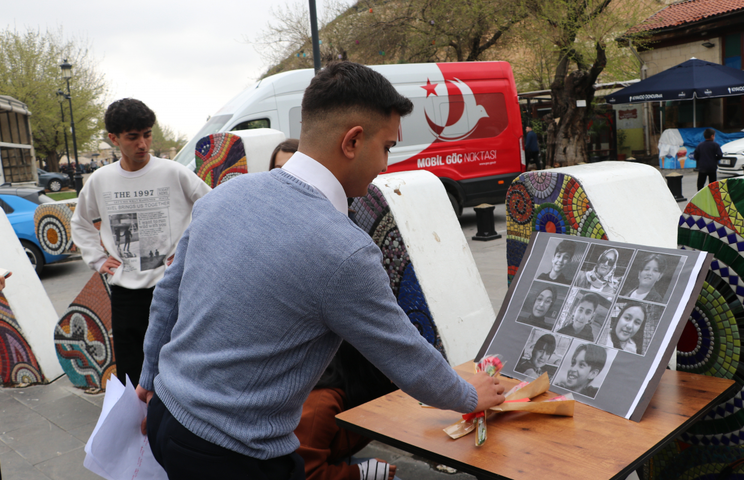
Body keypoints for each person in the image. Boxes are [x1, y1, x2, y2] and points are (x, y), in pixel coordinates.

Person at [136, 62, 505, 480]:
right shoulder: (343, 250)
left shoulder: (227, 194)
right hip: (235, 452)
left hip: (166, 412)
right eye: (386, 146)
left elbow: (167, 294)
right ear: (352, 141)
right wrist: (471, 394)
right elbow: (408, 359)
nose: (387, 163)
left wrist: (149, 377)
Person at [71, 98, 211, 388]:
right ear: (114, 139)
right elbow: (80, 222)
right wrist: (98, 259)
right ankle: (136, 427)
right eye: (133, 137)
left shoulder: (174, 172)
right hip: (127, 291)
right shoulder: (100, 180)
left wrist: (191, 252)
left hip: (173, 285)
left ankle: (174, 420)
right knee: (132, 367)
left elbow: (213, 207)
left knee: (178, 361)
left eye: (147, 134)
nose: (143, 144)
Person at [296, 341, 398, 480]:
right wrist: (360, 473)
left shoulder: (364, 390)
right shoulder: (323, 404)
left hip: (328, 462)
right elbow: (303, 473)